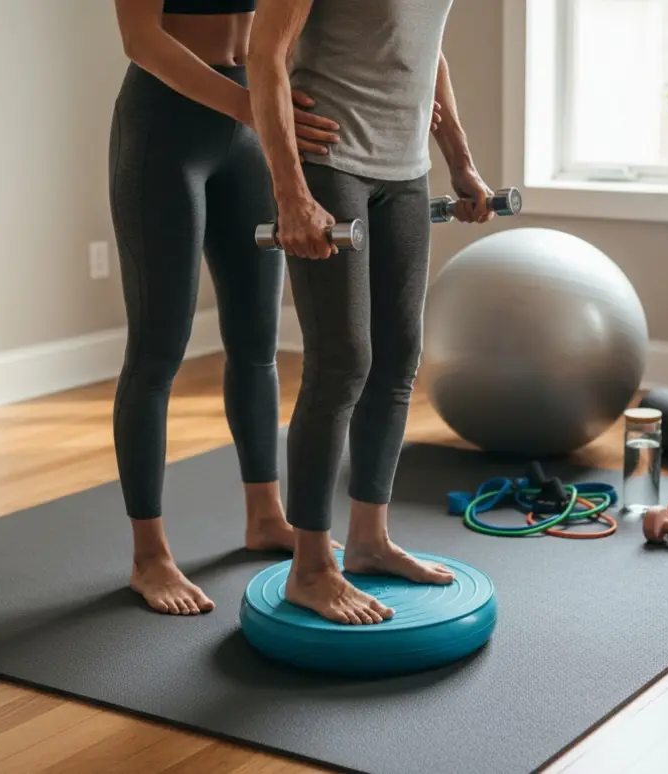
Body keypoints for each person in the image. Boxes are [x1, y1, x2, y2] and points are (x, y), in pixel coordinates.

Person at [248, 0, 495, 625]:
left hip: (405, 169)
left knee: (397, 360)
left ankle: (368, 539)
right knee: (341, 362)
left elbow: (423, 46)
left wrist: (459, 158)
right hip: (330, 160)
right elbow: (266, 54)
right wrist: (291, 195)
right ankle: (309, 567)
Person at [108, 0, 343, 616]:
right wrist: (251, 108)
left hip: (251, 124)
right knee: (158, 350)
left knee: (257, 343)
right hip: (167, 125)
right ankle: (148, 555)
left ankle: (266, 516)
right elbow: (141, 41)